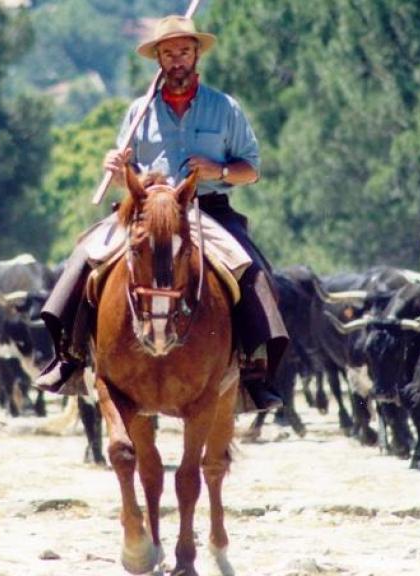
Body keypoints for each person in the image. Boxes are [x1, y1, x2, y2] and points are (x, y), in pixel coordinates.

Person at [34, 15, 287, 412]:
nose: (177, 60)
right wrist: (121, 172)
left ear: (196, 54)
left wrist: (218, 171)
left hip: (206, 209)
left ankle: (256, 371)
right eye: (168, 53)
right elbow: (126, 172)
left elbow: (251, 170)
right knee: (84, 257)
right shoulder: (139, 111)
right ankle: (69, 357)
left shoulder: (225, 108)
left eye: (184, 51)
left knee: (251, 271)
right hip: (146, 208)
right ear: (158, 60)